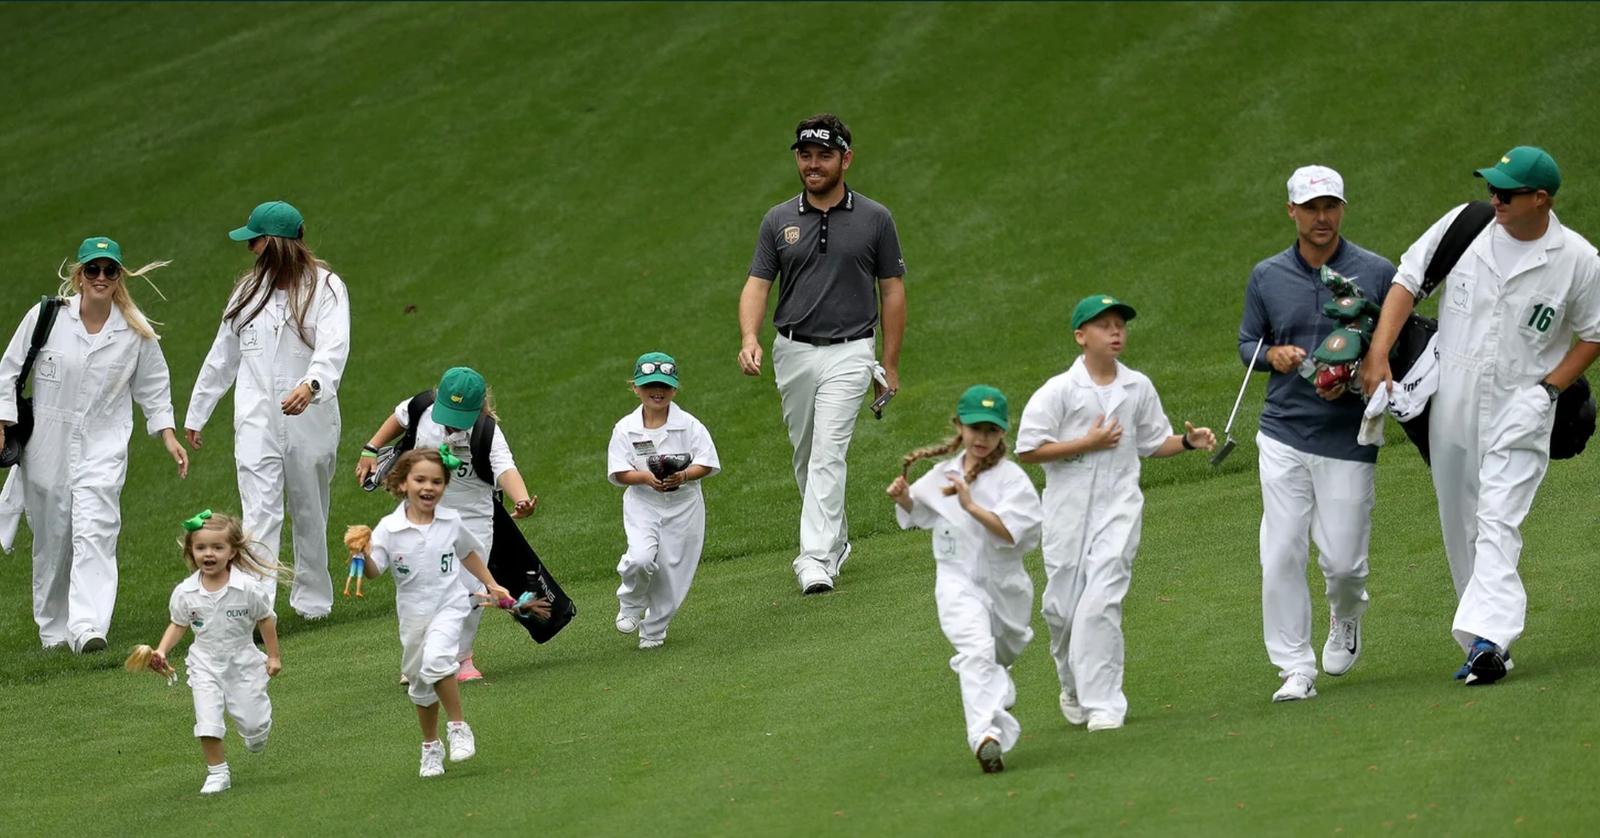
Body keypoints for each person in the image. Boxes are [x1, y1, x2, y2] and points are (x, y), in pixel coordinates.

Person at [1361, 146, 1600, 685]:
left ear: (1541, 199)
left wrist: (1548, 390)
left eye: (1508, 192)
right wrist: (1379, 352)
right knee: (1460, 522)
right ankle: (1481, 644)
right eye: (1492, 187)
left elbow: (1594, 333)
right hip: (1452, 397)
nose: (1495, 198)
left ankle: (1491, 638)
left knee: (1497, 519)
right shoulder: (1465, 226)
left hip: (1522, 405)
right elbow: (1407, 280)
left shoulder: (1578, 260)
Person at [1016, 295, 1215, 731]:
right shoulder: (1058, 391)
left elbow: (1152, 442)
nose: (1115, 332)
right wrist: (1085, 444)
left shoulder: (1138, 387)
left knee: (1101, 602)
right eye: (1104, 325)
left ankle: (1105, 703)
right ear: (1080, 336)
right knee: (1062, 612)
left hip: (1120, 508)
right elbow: (1028, 449)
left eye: (1120, 325)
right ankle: (1072, 685)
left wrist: (1187, 442)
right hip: (1067, 514)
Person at [1238, 166, 1397, 703]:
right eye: (1310, 208)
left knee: (1345, 564)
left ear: (1342, 209)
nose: (1321, 217)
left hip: (1349, 435)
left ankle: (1346, 614)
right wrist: (1273, 355)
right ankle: (1294, 667)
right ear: (1292, 212)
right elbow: (1247, 345)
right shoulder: (1266, 276)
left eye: (1330, 206)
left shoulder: (1377, 272)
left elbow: (1398, 345)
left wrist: (1365, 369)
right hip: (1282, 432)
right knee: (1280, 552)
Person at [736, 113, 907, 595]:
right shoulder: (778, 219)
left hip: (851, 351)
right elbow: (757, 285)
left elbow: (892, 291)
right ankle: (837, 541)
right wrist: (749, 338)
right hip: (792, 351)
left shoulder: (875, 218)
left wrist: (890, 364)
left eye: (824, 156)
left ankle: (813, 558)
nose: (812, 165)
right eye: (805, 155)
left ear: (845, 159)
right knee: (807, 455)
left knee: (828, 454)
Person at [0, 236, 188, 653]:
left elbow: (154, 388)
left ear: (120, 276)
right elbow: (8, 370)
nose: (101, 277)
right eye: (93, 269)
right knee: (53, 538)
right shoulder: (47, 316)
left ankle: (88, 626)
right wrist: (1, 422)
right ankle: (53, 630)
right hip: (47, 444)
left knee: (96, 530)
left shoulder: (135, 330)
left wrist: (168, 435)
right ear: (79, 276)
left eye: (110, 270)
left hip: (103, 445)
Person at [185, 201, 351, 620]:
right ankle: (258, 607)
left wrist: (311, 385)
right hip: (256, 418)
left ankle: (313, 600)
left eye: (255, 241)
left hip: (310, 419)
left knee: (309, 509)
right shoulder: (247, 292)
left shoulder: (326, 288)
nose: (250, 249)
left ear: (276, 243)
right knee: (259, 513)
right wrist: (198, 411)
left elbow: (334, 346)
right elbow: (223, 355)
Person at [886, 385, 1041, 775]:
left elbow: (1012, 533)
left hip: (1005, 585)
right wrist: (903, 498)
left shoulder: (1012, 480)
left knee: (1002, 651)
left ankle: (997, 684)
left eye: (991, 430)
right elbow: (921, 512)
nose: (982, 438)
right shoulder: (943, 474)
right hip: (957, 582)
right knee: (976, 650)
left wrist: (970, 505)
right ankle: (985, 737)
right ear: (959, 426)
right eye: (975, 429)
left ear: (1002, 433)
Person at [353, 366, 537, 681]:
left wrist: (521, 499)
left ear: (478, 410)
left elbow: (505, 469)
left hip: (472, 516)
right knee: (424, 584)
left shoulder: (487, 432)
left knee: (471, 588)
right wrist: (370, 448)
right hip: (422, 508)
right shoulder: (422, 407)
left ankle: (462, 657)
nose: (451, 424)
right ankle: (420, 656)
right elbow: (398, 418)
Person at [363, 448, 516, 777]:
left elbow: (468, 553)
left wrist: (492, 584)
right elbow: (374, 571)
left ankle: (458, 727)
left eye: (436, 481)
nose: (428, 487)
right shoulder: (389, 528)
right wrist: (361, 556)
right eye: (420, 480)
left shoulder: (451, 522)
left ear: (445, 486)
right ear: (403, 484)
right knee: (420, 684)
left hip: (449, 606)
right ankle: (430, 746)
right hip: (413, 617)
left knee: (438, 660)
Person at [148, 510, 283, 795]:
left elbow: (265, 620)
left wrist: (273, 656)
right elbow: (178, 624)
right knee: (207, 720)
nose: (208, 554)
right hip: (204, 664)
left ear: (232, 551)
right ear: (191, 551)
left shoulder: (248, 589)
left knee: (254, 726)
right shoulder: (185, 592)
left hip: (243, 663)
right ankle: (217, 773)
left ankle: (256, 731)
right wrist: (161, 650)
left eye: (217, 547)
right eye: (201, 547)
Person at [606, 352, 720, 650]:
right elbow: (618, 472)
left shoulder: (690, 425)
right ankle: (631, 604)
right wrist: (645, 478)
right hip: (643, 503)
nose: (657, 391)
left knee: (673, 571)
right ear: (635, 388)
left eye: (664, 386)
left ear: (675, 389)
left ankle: (654, 630)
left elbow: (707, 463)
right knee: (640, 558)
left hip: (684, 506)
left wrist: (683, 475)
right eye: (649, 386)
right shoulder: (625, 428)